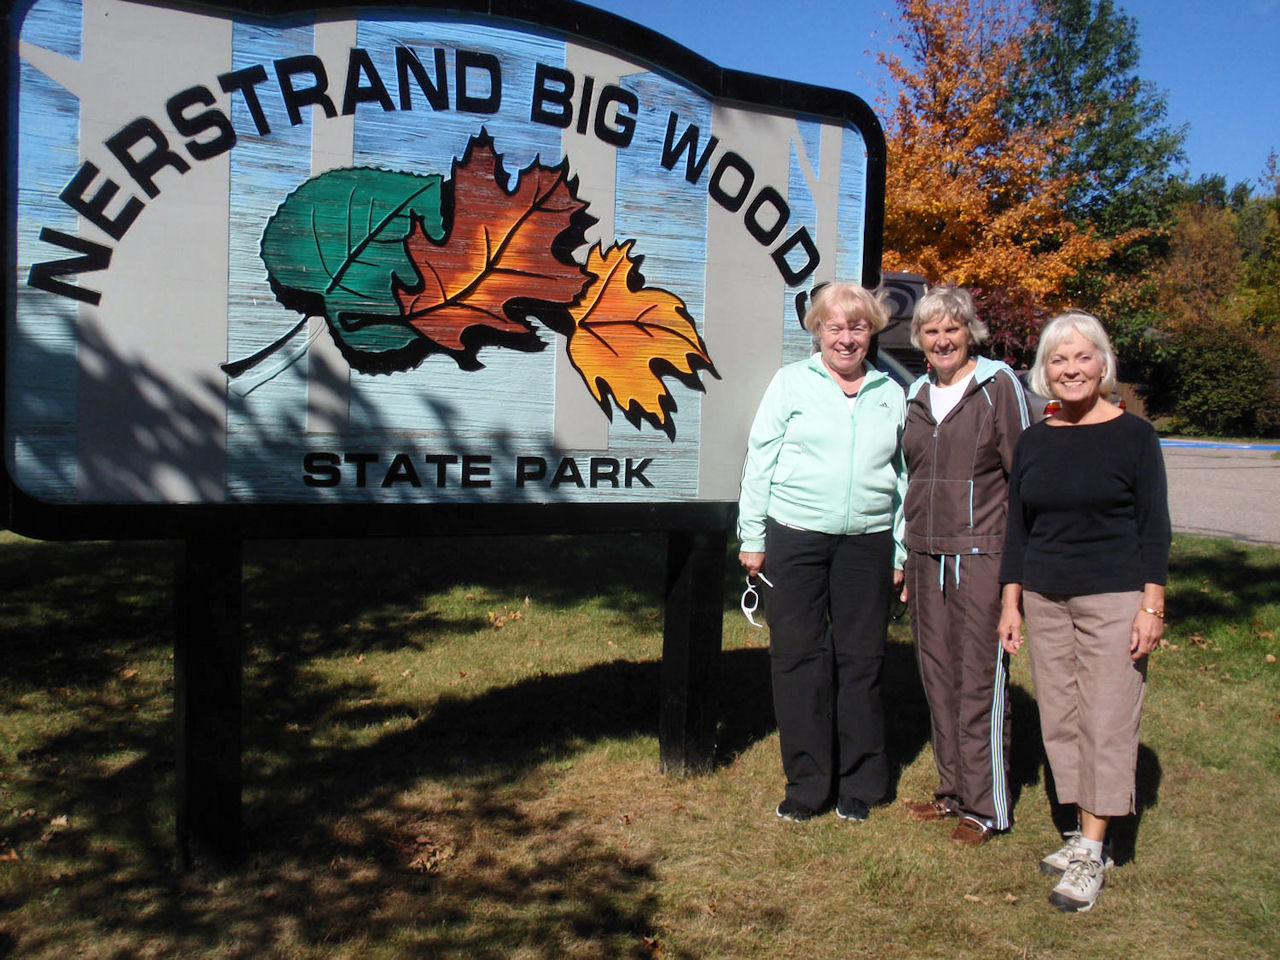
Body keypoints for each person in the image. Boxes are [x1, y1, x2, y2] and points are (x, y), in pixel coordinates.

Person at [997, 312, 1170, 913]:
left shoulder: (1135, 437)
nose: (1071, 369)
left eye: (1082, 357)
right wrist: (1011, 602)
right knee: (1062, 718)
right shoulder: (1035, 440)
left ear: (1103, 364)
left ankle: (1093, 849)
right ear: (1045, 371)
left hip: (1114, 596)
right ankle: (1081, 830)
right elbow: (1018, 530)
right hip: (1046, 597)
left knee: (1107, 717)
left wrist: (1152, 605)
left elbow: (1154, 526)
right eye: (1058, 360)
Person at [737, 281, 906, 824]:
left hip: (868, 542)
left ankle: (861, 783)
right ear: (818, 331)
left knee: (863, 661)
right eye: (835, 327)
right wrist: (752, 537)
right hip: (796, 536)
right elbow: (760, 459)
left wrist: (899, 549)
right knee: (797, 660)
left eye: (857, 327)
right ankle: (808, 785)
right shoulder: (791, 383)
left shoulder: (890, 392)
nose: (846, 338)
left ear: (871, 332)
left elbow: (904, 477)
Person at [899, 286, 1030, 847]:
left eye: (952, 328)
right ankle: (951, 791)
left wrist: (1016, 580)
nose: (942, 339)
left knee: (979, 681)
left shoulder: (998, 386)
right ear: (919, 339)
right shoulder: (916, 393)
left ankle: (986, 806)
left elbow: (1024, 481)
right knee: (937, 677)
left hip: (980, 555)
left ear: (969, 331)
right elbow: (907, 479)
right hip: (925, 555)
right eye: (931, 330)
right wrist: (904, 554)